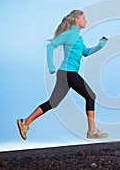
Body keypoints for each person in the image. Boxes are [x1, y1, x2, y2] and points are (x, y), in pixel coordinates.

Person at [17, 10, 108, 140]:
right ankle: (92, 130)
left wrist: (100, 45)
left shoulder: (78, 38)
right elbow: (50, 46)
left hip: (66, 74)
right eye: (83, 18)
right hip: (67, 73)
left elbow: (86, 52)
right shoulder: (69, 34)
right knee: (90, 96)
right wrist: (51, 66)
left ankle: (25, 122)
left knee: (53, 103)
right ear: (76, 20)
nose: (85, 20)